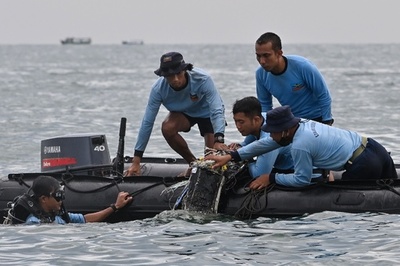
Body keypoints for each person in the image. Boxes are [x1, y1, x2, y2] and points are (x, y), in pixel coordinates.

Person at [206, 106, 398, 189]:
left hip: (364, 164)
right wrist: (232, 156)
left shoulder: (300, 145)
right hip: (375, 148)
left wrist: (271, 177)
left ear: (284, 130)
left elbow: (302, 180)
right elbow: (267, 143)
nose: (270, 135)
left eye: (273, 131)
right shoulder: (301, 125)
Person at [125, 52, 227, 176]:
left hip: (208, 113)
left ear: (184, 70)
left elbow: (216, 110)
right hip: (184, 113)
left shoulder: (203, 79)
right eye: (169, 76)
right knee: (167, 128)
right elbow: (147, 122)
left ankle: (206, 166)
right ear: (163, 76)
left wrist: (219, 138)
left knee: (211, 160)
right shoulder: (158, 90)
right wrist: (136, 161)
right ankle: (193, 164)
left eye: (178, 74)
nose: (175, 79)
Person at [255, 32, 334, 125]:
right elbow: (265, 105)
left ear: (279, 53)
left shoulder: (302, 66)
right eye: (258, 56)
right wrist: (266, 130)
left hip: (318, 118)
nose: (262, 61)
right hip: (294, 122)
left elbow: (324, 95)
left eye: (266, 55)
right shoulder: (260, 74)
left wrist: (327, 123)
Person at [6, 175, 133, 224]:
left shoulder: (58, 216)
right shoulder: (33, 222)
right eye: (58, 196)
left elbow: (86, 219)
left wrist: (115, 207)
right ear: (44, 199)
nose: (61, 200)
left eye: (62, 194)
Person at [227, 96, 293, 186]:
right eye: (235, 121)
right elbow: (246, 145)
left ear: (256, 120)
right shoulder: (262, 118)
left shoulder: (270, 135)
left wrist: (248, 159)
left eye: (241, 122)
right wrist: (238, 146)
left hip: (295, 171)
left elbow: (259, 175)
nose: (238, 126)